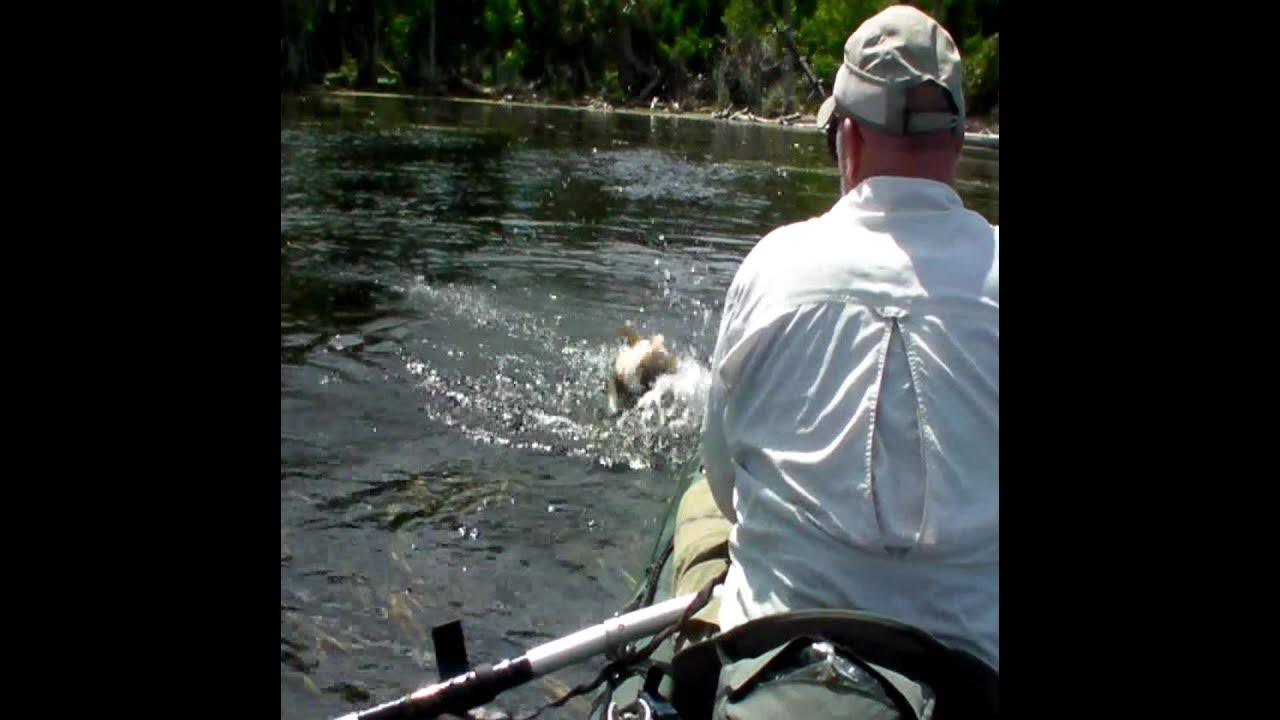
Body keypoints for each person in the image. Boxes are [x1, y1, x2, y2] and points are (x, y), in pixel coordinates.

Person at [698, 3, 999, 675]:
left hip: (771, 675)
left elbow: (724, 490)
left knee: (697, 507)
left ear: (848, 138)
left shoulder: (769, 267)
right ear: (956, 140)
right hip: (970, 687)